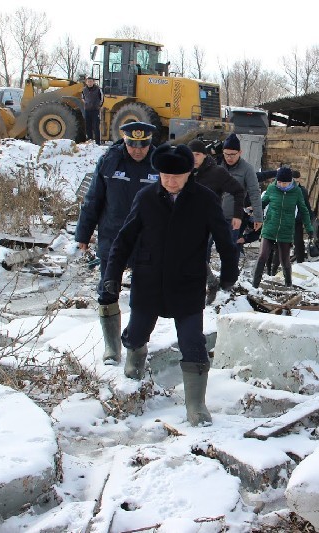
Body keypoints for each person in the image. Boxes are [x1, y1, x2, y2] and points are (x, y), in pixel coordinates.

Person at [101, 143, 238, 426]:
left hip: (186, 283)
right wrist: (111, 277)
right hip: (148, 280)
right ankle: (133, 372)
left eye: (177, 176)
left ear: (190, 173)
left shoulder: (205, 199)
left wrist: (228, 274)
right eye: (165, 175)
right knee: (136, 334)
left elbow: (225, 240)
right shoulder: (146, 197)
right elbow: (124, 240)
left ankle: (196, 405)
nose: (170, 181)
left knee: (193, 342)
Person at [75, 122, 158, 365]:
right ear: (125, 141)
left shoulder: (159, 162)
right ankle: (112, 348)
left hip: (146, 240)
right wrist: (83, 234)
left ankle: (136, 347)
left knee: (144, 295)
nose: (138, 151)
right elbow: (93, 199)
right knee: (108, 290)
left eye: (143, 146)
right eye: (133, 145)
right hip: (113, 236)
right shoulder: (109, 161)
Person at [187, 139, 245, 298]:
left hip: (210, 219)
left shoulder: (216, 172)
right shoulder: (185, 171)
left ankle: (223, 283)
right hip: (188, 220)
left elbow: (239, 191)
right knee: (194, 252)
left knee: (222, 249)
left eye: (197, 155)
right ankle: (204, 283)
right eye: (190, 155)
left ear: (205, 155)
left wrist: (237, 215)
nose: (194, 158)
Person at [252, 167, 314, 288]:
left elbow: (304, 210)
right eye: (279, 182)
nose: (281, 185)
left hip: (286, 230)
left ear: (290, 181)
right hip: (270, 227)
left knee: (284, 259)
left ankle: (288, 284)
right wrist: (253, 210)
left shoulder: (297, 192)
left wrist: (309, 228)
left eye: (284, 183)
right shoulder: (272, 188)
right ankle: (254, 285)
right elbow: (262, 203)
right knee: (262, 256)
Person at [219, 133, 264, 251]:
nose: (229, 157)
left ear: (240, 152)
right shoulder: (217, 165)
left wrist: (258, 217)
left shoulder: (247, 169)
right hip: (214, 214)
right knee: (205, 248)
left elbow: (254, 193)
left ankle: (230, 269)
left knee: (229, 250)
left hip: (233, 217)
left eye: (232, 154)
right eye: (226, 154)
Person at [291, 170, 316, 263]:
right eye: (294, 181)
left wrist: (310, 218)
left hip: (297, 220)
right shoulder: (285, 190)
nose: (296, 184)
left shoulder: (303, 191)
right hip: (285, 220)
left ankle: (300, 262)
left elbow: (306, 206)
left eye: (297, 181)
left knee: (298, 242)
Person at [82, 76, 104, 144]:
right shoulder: (84, 90)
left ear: (93, 82)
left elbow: (102, 98)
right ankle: (90, 142)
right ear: (86, 82)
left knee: (96, 126)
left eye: (91, 81)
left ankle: (97, 143)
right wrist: (86, 103)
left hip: (95, 110)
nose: (90, 83)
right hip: (87, 110)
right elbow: (83, 98)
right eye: (88, 81)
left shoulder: (98, 89)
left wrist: (99, 106)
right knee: (88, 127)